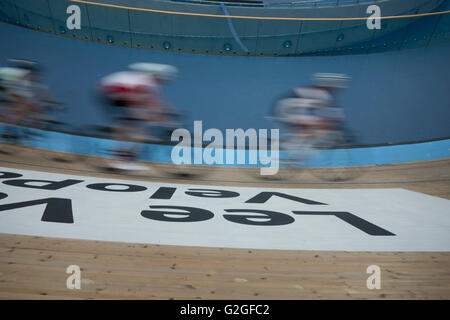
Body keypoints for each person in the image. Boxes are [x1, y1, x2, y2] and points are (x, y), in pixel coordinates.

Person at [97, 62, 179, 169]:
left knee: (136, 122)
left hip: (118, 91)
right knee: (132, 124)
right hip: (113, 91)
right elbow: (154, 108)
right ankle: (120, 158)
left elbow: (158, 104)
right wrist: (168, 120)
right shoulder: (149, 82)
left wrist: (170, 114)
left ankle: (125, 156)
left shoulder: (151, 82)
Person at [273, 73, 350, 145]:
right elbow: (330, 120)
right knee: (320, 126)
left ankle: (294, 142)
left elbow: (329, 117)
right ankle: (292, 144)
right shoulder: (324, 95)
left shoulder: (320, 93)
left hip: (285, 108)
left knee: (316, 127)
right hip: (287, 108)